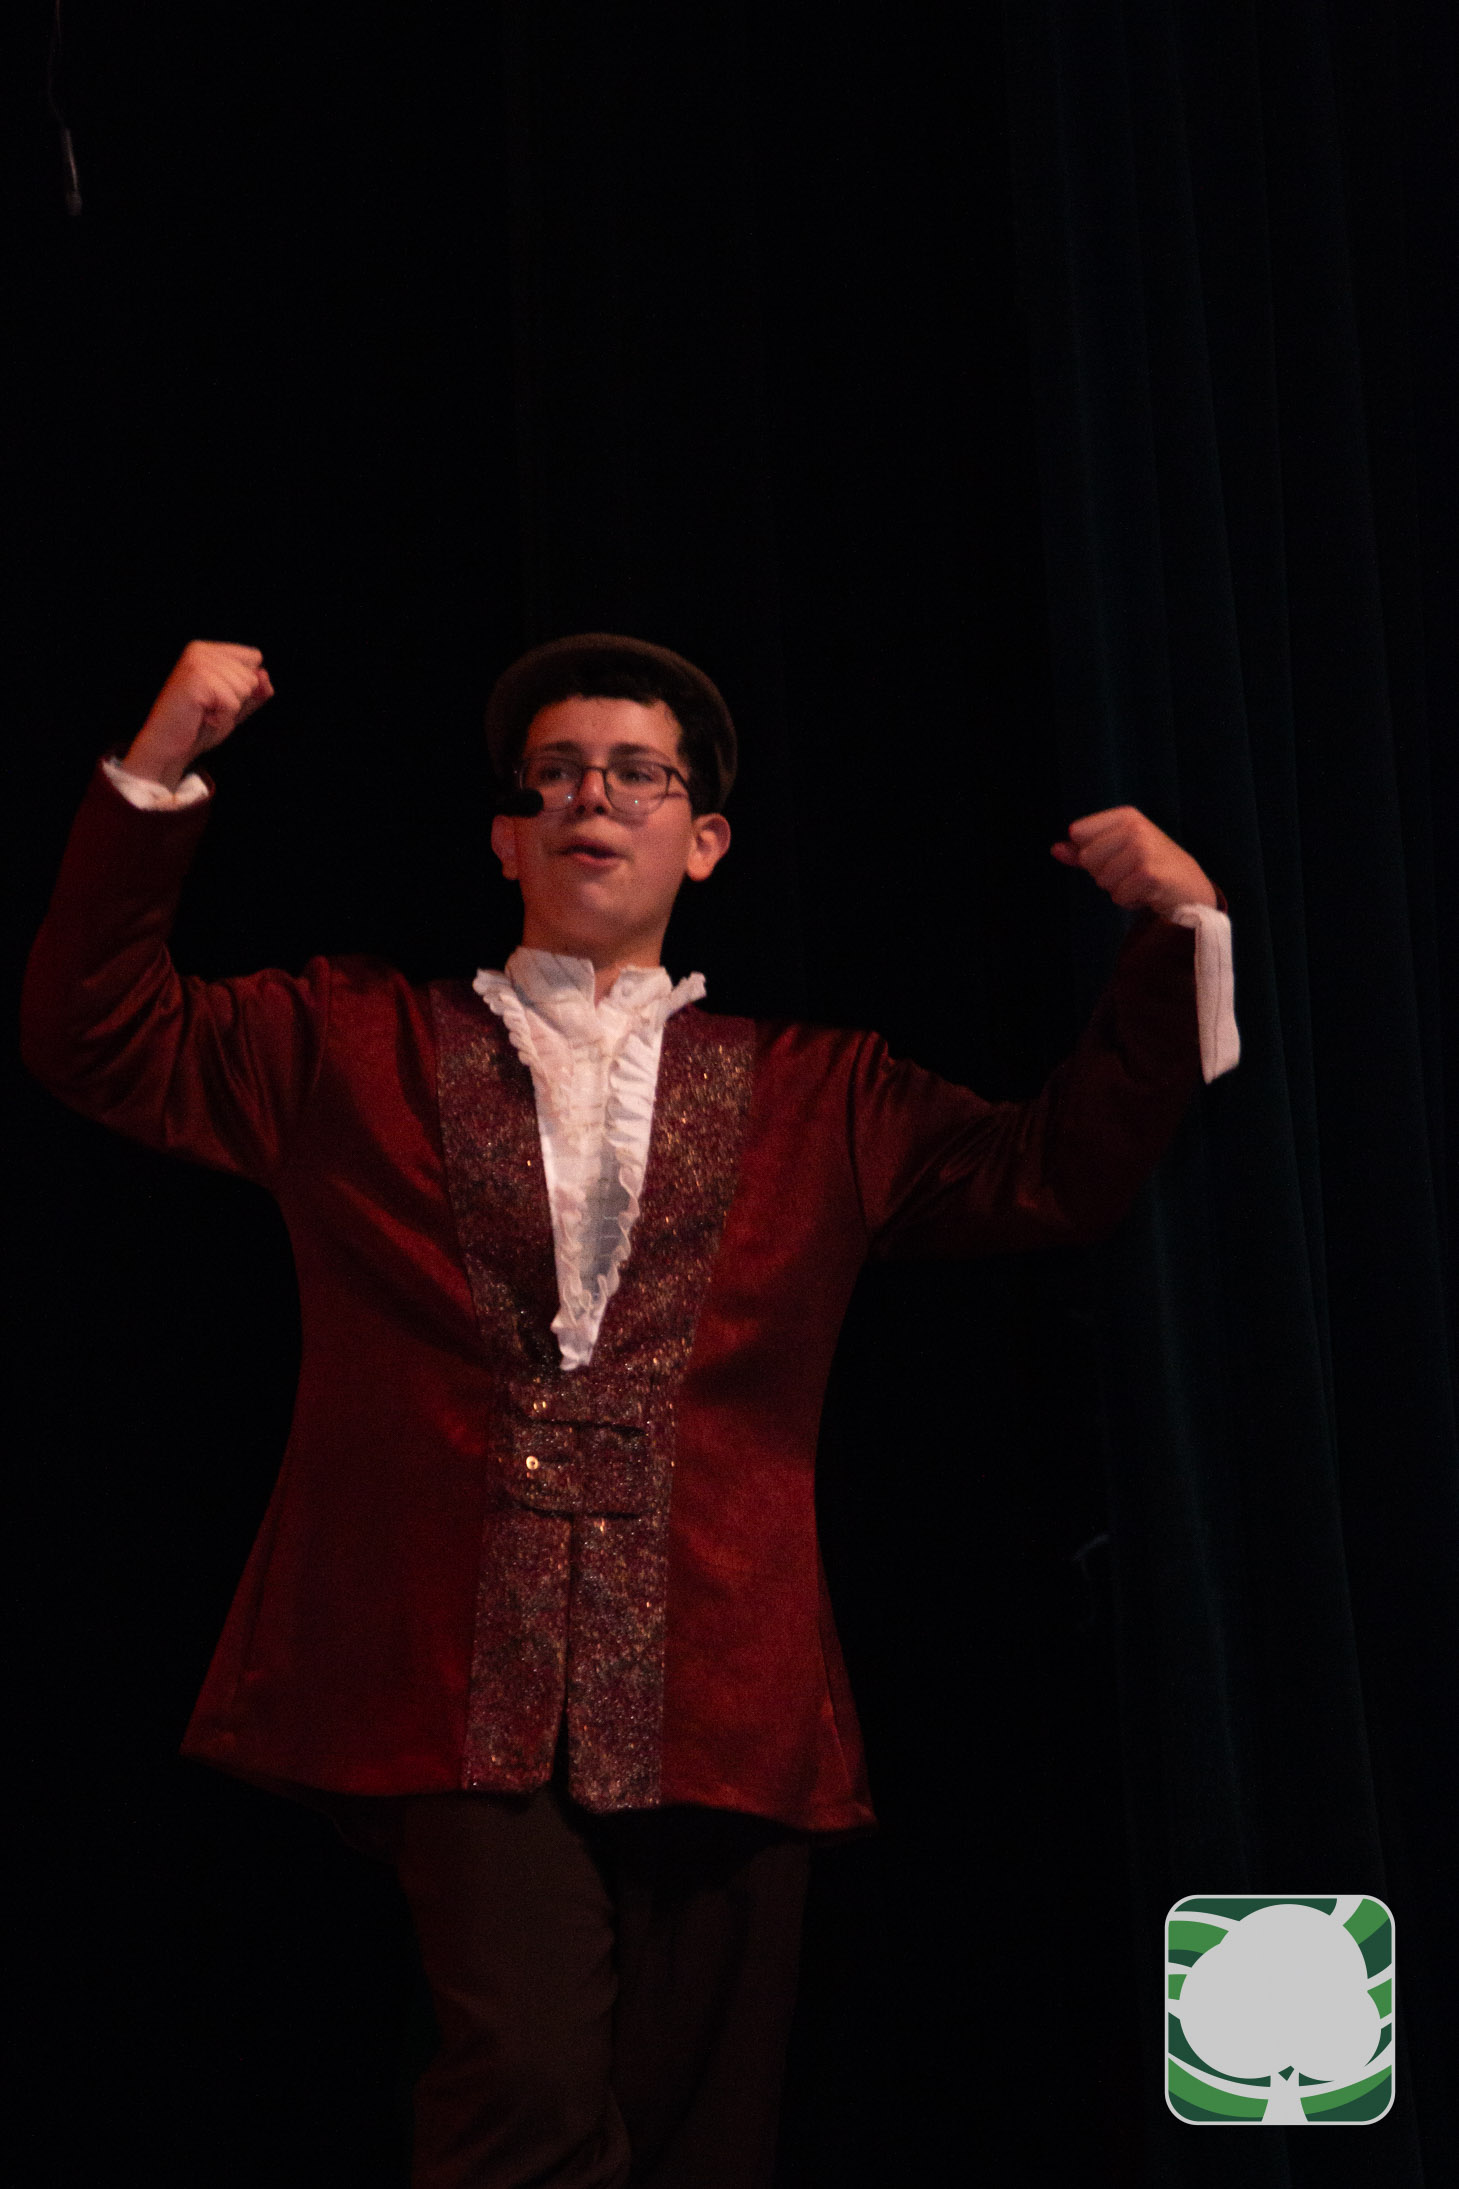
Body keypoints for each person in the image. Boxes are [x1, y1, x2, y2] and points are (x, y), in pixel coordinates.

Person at [22, 633, 1238, 2188]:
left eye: (636, 773)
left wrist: (1180, 933)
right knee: (526, 2091)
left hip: (727, 1680)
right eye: (558, 773)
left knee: (701, 2135)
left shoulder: (824, 1093)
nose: (593, 795)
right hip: (457, 1674)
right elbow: (97, 1030)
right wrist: (159, 762)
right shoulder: (354, 1044)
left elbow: (1057, 1171)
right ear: (507, 836)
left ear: (704, 839)